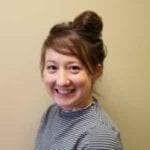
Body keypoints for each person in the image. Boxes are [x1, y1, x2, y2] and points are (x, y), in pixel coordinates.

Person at [35, 10, 123, 150]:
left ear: (95, 72)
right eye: (52, 67)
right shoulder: (51, 113)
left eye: (74, 68)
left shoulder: (98, 138)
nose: (61, 81)